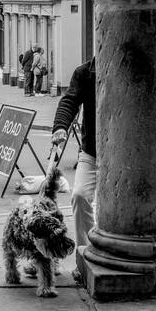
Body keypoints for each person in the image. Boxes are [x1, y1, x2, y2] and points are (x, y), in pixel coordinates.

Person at [49, 57, 96, 285]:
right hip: (92, 152)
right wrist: (60, 127)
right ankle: (85, 257)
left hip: (124, 154)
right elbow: (69, 101)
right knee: (79, 196)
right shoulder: (85, 72)